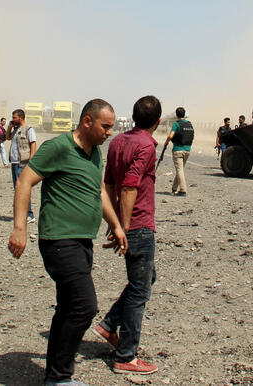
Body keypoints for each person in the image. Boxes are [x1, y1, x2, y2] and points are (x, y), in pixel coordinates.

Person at [8, 99, 127, 386]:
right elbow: (25, 182)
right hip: (59, 240)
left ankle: (55, 376)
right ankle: (61, 377)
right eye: (105, 126)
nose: (109, 133)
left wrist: (116, 224)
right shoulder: (58, 147)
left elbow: (97, 190)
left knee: (67, 307)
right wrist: (19, 228)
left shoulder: (95, 152)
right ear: (87, 121)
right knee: (84, 306)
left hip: (83, 241)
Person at [94, 95, 162, 376]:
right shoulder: (146, 145)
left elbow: (109, 183)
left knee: (147, 278)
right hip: (139, 226)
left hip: (125, 222)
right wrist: (121, 226)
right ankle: (126, 355)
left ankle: (109, 324)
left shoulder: (118, 141)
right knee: (139, 291)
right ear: (157, 121)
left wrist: (113, 222)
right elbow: (130, 187)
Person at [6, 109, 37, 222]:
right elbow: (7, 137)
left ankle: (29, 214)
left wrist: (31, 160)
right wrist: (9, 126)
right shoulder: (15, 129)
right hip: (14, 162)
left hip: (23, 163)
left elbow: (33, 144)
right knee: (17, 189)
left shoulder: (28, 129)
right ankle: (21, 214)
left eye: (14, 118)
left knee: (23, 189)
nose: (12, 119)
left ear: (21, 117)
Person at [163, 107, 193, 196]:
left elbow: (171, 136)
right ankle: (174, 188)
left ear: (176, 115)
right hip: (187, 150)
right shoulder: (189, 124)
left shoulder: (176, 124)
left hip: (178, 150)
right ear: (184, 114)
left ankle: (183, 190)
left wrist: (166, 143)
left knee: (179, 170)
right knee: (180, 169)